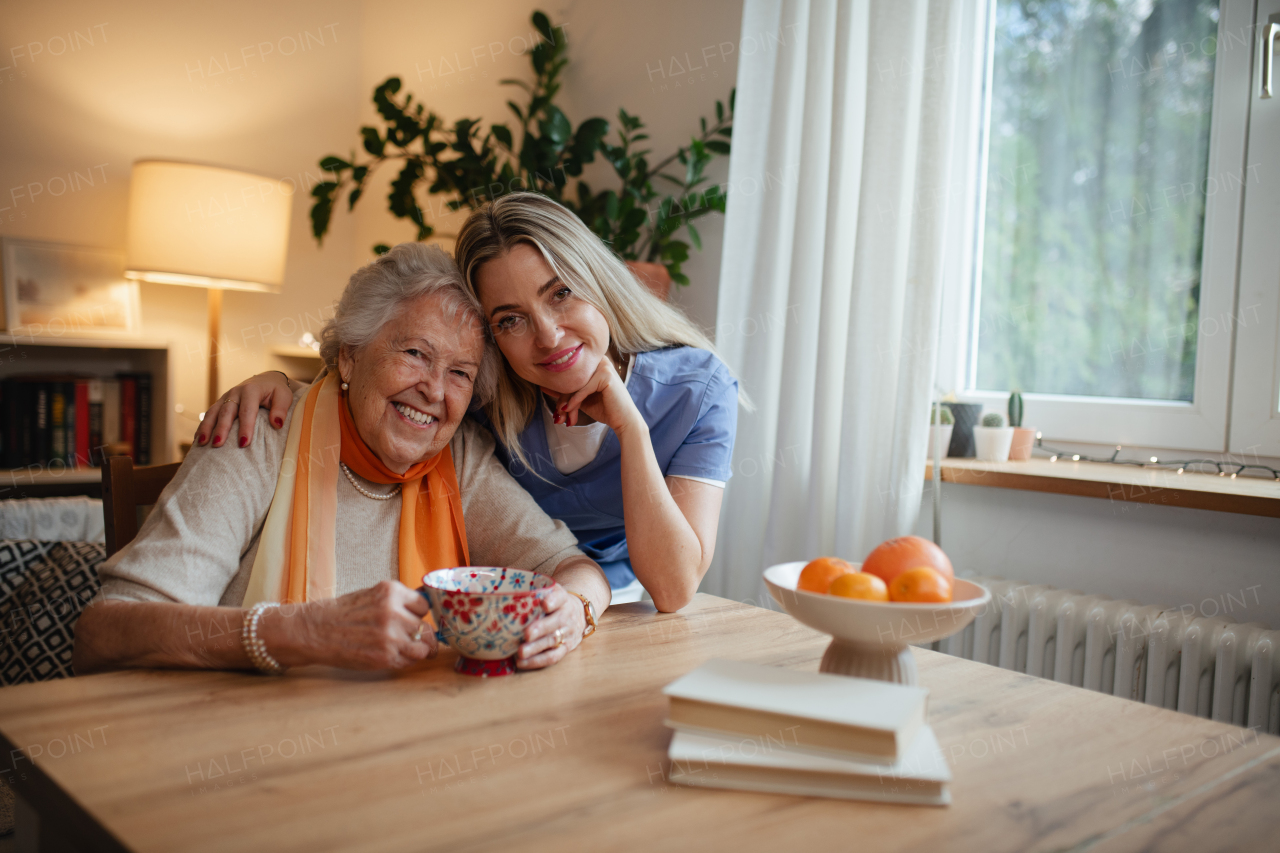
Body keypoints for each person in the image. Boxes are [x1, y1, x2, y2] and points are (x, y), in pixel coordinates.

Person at [74, 243, 609, 676]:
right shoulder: (263, 431)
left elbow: (574, 569)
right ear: (350, 354)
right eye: (415, 354)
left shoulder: (456, 456)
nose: (433, 390)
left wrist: (572, 611)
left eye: (460, 373)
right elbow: (105, 634)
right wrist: (297, 633)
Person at [200, 194, 739, 613]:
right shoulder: (484, 394)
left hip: (622, 608)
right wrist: (282, 384)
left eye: (561, 293)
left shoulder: (698, 391)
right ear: (491, 340)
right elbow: (378, 383)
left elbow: (671, 590)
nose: (548, 336)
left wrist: (631, 429)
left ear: (598, 280)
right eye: (510, 319)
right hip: (509, 607)